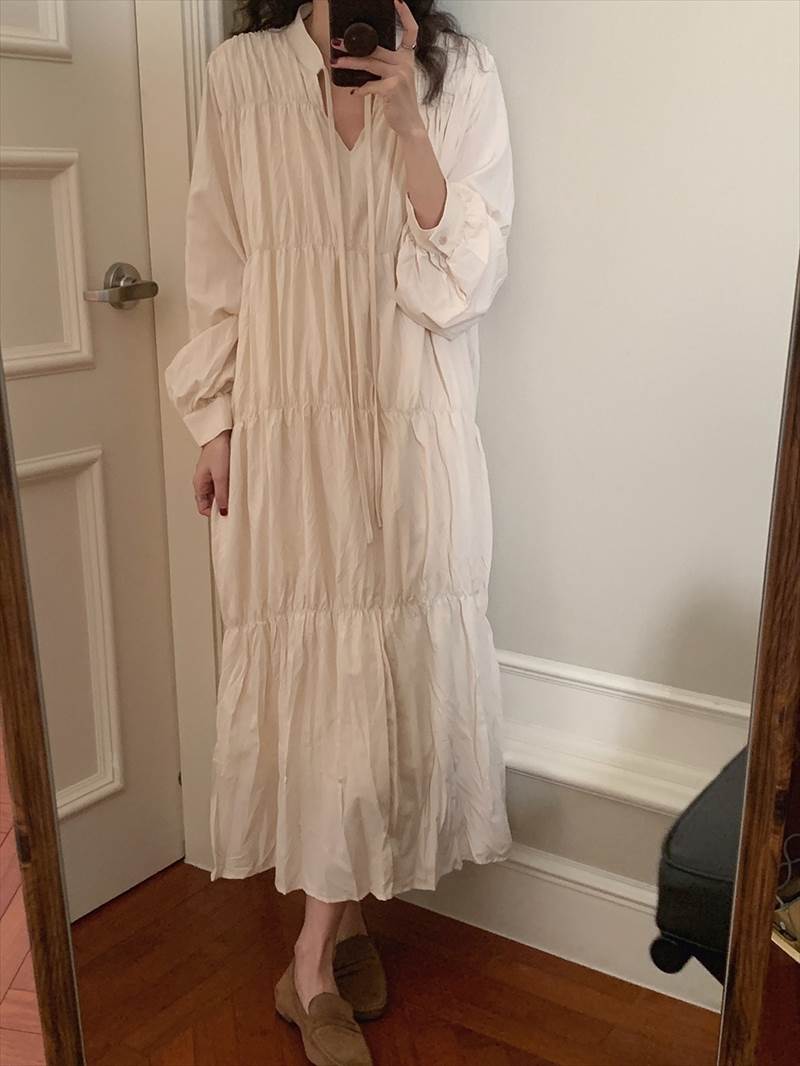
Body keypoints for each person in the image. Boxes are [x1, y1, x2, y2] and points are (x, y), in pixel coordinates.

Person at [164, 1, 514, 1061]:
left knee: (388, 660)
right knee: (318, 663)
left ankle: (336, 925)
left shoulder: (460, 75)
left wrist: (409, 127)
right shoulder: (239, 76)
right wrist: (215, 421)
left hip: (410, 427)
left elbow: (466, 281)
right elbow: (217, 263)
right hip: (289, 427)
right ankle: (312, 959)